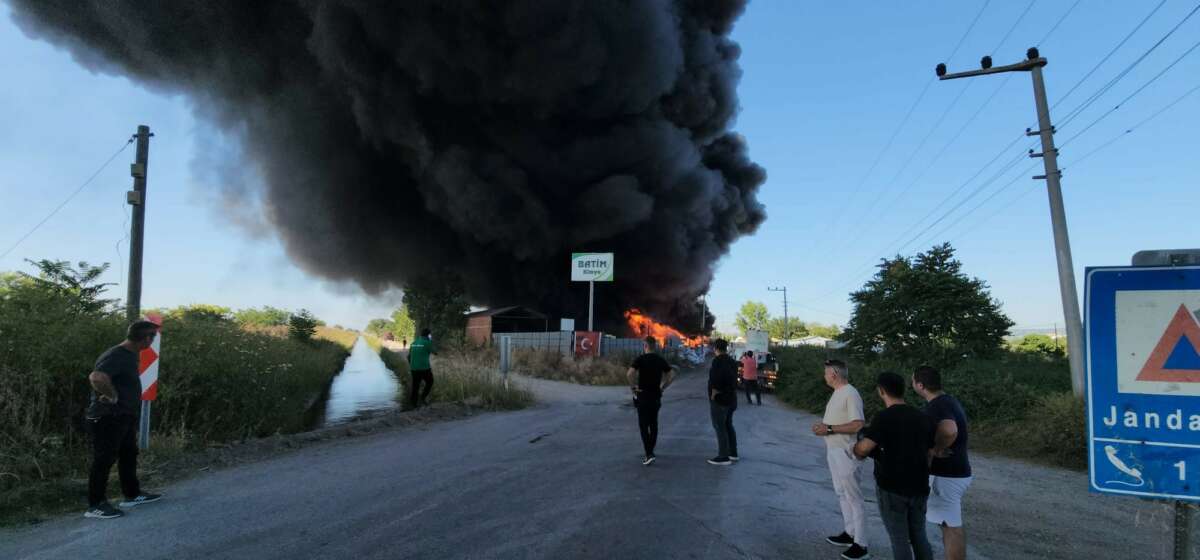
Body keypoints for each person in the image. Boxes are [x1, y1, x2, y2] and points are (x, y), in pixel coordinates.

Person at [84, 321, 163, 519]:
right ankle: (96, 505)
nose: (152, 341)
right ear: (145, 338)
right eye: (152, 337)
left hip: (123, 415)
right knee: (104, 459)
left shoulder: (130, 354)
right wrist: (112, 396)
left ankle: (132, 494)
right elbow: (97, 377)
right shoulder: (116, 355)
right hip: (108, 416)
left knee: (129, 454)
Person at [854, 372, 935, 560]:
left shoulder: (884, 417)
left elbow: (864, 449)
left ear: (881, 391)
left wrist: (856, 448)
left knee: (899, 539)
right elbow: (930, 453)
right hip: (920, 486)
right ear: (903, 390)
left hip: (892, 488)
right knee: (919, 536)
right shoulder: (922, 417)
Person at [912, 365, 972, 560]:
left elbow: (949, 430)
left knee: (951, 526)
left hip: (947, 475)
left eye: (913, 381)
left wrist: (934, 450)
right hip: (955, 472)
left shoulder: (937, 405)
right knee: (948, 524)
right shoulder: (948, 400)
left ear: (920, 385)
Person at [812, 359, 868, 560]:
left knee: (854, 497)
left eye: (826, 373)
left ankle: (861, 545)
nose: (824, 376)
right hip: (833, 450)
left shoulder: (850, 393)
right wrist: (825, 427)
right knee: (841, 493)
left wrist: (828, 429)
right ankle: (849, 533)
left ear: (834, 374)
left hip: (846, 452)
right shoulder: (838, 393)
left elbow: (857, 424)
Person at [627, 336, 675, 465]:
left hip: (643, 396)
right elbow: (672, 374)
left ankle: (649, 454)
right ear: (655, 346)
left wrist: (633, 388)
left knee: (643, 425)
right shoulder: (660, 360)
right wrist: (663, 387)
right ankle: (651, 451)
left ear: (645, 346)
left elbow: (629, 373)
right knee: (653, 424)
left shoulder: (641, 359)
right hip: (656, 396)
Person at [707, 339, 739, 465]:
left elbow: (716, 378)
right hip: (732, 399)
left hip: (720, 400)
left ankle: (723, 456)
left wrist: (714, 393)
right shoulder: (732, 361)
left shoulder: (718, 361)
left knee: (719, 426)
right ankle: (733, 453)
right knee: (728, 425)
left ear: (716, 348)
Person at [407, 328, 436, 408]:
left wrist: (412, 365)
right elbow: (435, 352)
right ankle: (422, 398)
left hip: (414, 369)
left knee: (415, 386)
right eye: (430, 335)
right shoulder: (427, 343)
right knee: (430, 382)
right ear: (428, 335)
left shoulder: (413, 343)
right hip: (424, 368)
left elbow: (409, 356)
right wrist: (431, 341)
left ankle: (413, 404)